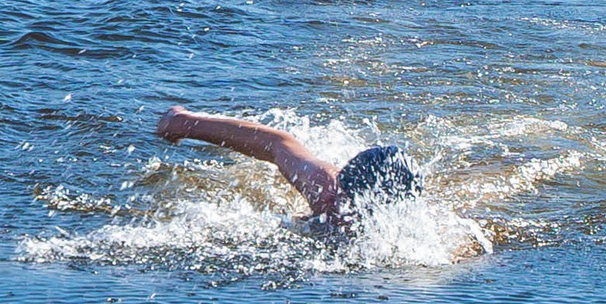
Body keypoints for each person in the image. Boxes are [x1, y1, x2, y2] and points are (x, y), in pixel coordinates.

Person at [156, 106, 421, 218]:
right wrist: (186, 125)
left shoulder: (413, 235)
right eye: (342, 201)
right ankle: (183, 121)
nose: (342, 212)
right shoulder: (326, 191)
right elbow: (276, 143)